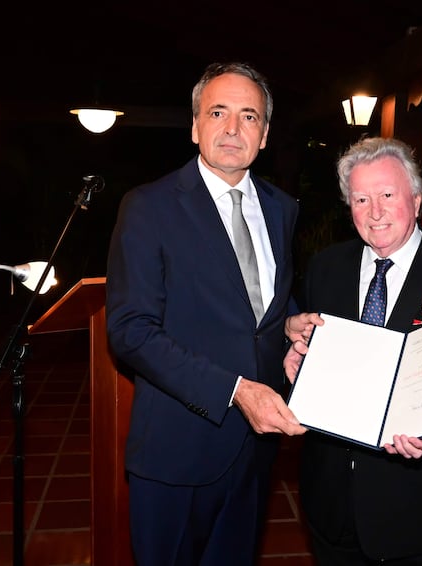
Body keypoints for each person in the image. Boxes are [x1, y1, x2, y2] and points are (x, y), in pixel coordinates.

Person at [105, 62, 306, 566]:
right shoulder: (149, 206)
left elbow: (259, 304)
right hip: (177, 451)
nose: (233, 128)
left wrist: (289, 326)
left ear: (264, 135)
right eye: (218, 112)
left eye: (249, 116)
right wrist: (235, 390)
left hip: (254, 454)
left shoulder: (282, 208)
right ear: (196, 126)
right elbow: (130, 332)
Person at [284, 136, 422, 565]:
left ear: (417, 199)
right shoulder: (325, 268)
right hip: (328, 495)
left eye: (387, 195)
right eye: (361, 198)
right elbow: (308, 347)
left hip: (409, 500)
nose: (375, 211)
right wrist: (295, 356)